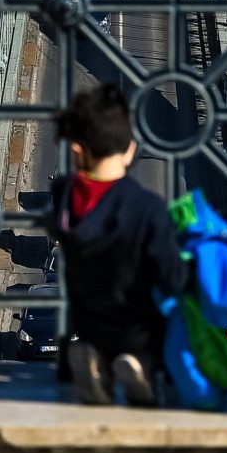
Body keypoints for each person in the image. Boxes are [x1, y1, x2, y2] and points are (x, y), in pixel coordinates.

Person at [51, 83, 187, 406]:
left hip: (87, 321)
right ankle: (141, 366)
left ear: (76, 151)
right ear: (130, 148)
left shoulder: (64, 196)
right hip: (136, 327)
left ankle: (98, 364)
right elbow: (172, 278)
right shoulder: (146, 207)